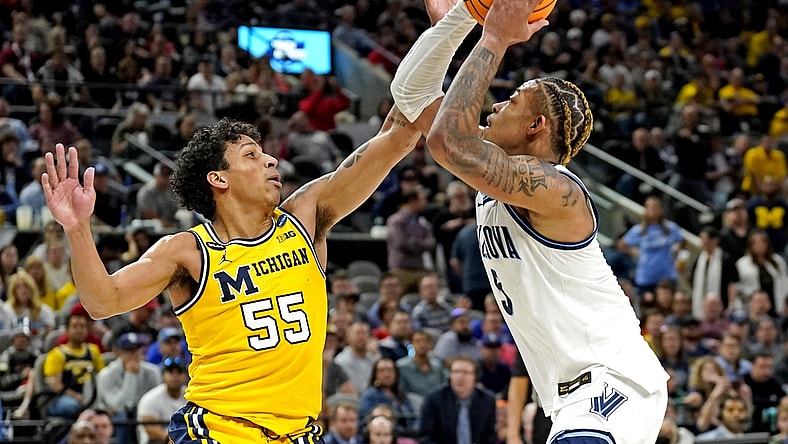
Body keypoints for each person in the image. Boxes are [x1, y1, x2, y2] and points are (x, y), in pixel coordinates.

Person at [42, 78, 422, 441]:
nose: (271, 160)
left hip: (298, 432)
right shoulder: (188, 252)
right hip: (218, 431)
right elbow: (101, 301)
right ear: (219, 179)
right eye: (252, 155)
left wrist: (453, 29)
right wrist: (77, 228)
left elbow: (399, 135)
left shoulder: (306, 217)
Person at [387, 0, 669, 442]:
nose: (497, 104)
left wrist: (495, 36)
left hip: (611, 383)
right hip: (567, 396)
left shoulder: (557, 190)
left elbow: (446, 141)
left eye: (513, 100)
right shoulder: (499, 170)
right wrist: (465, 16)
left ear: (536, 125)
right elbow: (410, 94)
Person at [417, 356, 497, 444]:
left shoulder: (487, 400)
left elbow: (490, 437)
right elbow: (425, 438)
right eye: (456, 372)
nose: (460, 377)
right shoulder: (434, 399)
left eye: (465, 372)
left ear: (475, 377)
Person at [136, 357, 188, 444]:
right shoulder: (150, 398)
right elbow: (151, 431)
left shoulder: (191, 395)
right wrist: (173, 440)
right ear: (162, 376)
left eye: (179, 372)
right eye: (171, 372)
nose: (175, 376)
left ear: (186, 376)